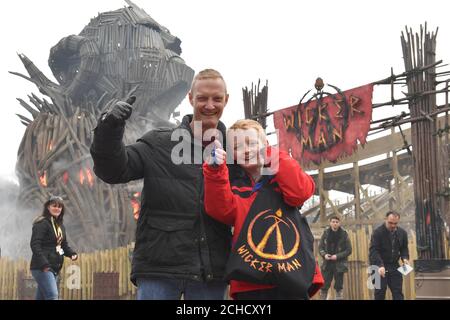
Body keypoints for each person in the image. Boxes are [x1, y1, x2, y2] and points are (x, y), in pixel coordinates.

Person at [90, 69, 232, 300]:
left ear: (226, 99)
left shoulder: (236, 150)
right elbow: (113, 170)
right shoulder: (159, 143)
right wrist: (110, 127)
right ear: (190, 98)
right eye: (202, 98)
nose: (209, 105)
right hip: (159, 269)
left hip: (211, 271)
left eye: (217, 98)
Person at [203, 119, 323, 300]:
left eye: (251, 143)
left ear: (265, 144)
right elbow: (220, 210)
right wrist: (214, 171)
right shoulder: (234, 186)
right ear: (232, 154)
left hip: (291, 273)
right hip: (250, 279)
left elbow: (300, 192)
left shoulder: (281, 176)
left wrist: (271, 155)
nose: (246, 150)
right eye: (237, 147)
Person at [30, 196, 78, 300]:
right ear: (48, 207)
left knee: (42, 297)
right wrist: (44, 264)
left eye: (59, 206)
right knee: (52, 296)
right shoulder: (41, 223)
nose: (57, 208)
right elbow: (35, 244)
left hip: (55, 267)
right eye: (54, 206)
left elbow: (63, 245)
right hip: (42, 267)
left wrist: (72, 254)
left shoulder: (60, 225)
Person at [369, 211, 409, 300]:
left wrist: (405, 258)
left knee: (398, 293)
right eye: (390, 223)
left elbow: (404, 249)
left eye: (395, 223)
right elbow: (374, 251)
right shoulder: (377, 232)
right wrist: (380, 265)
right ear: (385, 219)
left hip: (394, 266)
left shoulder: (402, 233)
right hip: (377, 266)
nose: (393, 226)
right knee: (379, 293)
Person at [318, 214, 352, 300]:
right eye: (333, 222)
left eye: (337, 222)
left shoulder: (344, 234)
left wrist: (337, 256)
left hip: (339, 264)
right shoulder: (325, 233)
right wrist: (324, 255)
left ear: (339, 223)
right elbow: (320, 247)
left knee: (339, 287)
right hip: (327, 264)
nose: (335, 223)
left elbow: (349, 250)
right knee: (324, 286)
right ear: (330, 223)